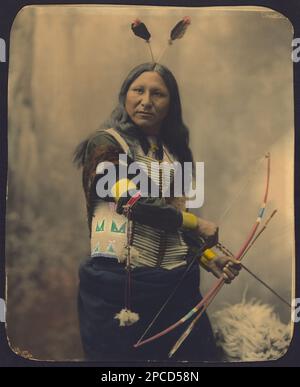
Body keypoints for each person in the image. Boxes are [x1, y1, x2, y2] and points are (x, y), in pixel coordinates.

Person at [73, 62, 241, 361]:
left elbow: (184, 227)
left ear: (171, 103)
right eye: (138, 90)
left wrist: (209, 258)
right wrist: (196, 223)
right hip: (118, 291)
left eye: (158, 94)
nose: (146, 101)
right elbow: (130, 201)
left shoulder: (180, 155)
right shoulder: (105, 144)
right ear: (125, 95)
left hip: (177, 290)